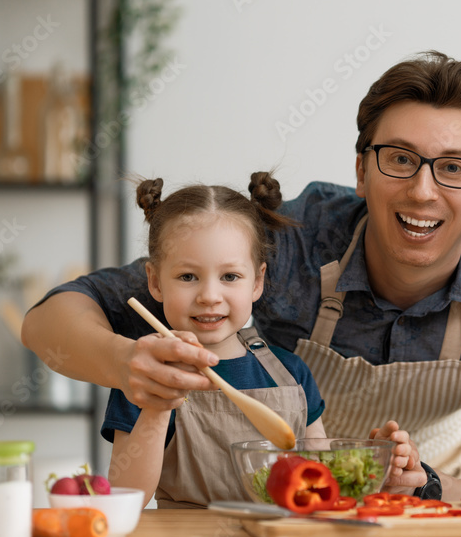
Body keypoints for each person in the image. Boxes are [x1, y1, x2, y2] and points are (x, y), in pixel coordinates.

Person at [23, 51, 461, 501]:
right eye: (400, 159)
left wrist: (428, 484)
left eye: (454, 168)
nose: (423, 191)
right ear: (361, 170)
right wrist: (123, 364)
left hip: (427, 518)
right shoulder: (284, 241)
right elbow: (47, 323)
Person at [106, 172, 414, 508]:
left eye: (230, 276)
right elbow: (128, 496)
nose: (210, 295)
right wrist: (158, 404)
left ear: (257, 282)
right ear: (156, 282)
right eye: (188, 276)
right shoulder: (144, 376)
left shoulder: (292, 374)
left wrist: (379, 470)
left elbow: (328, 487)